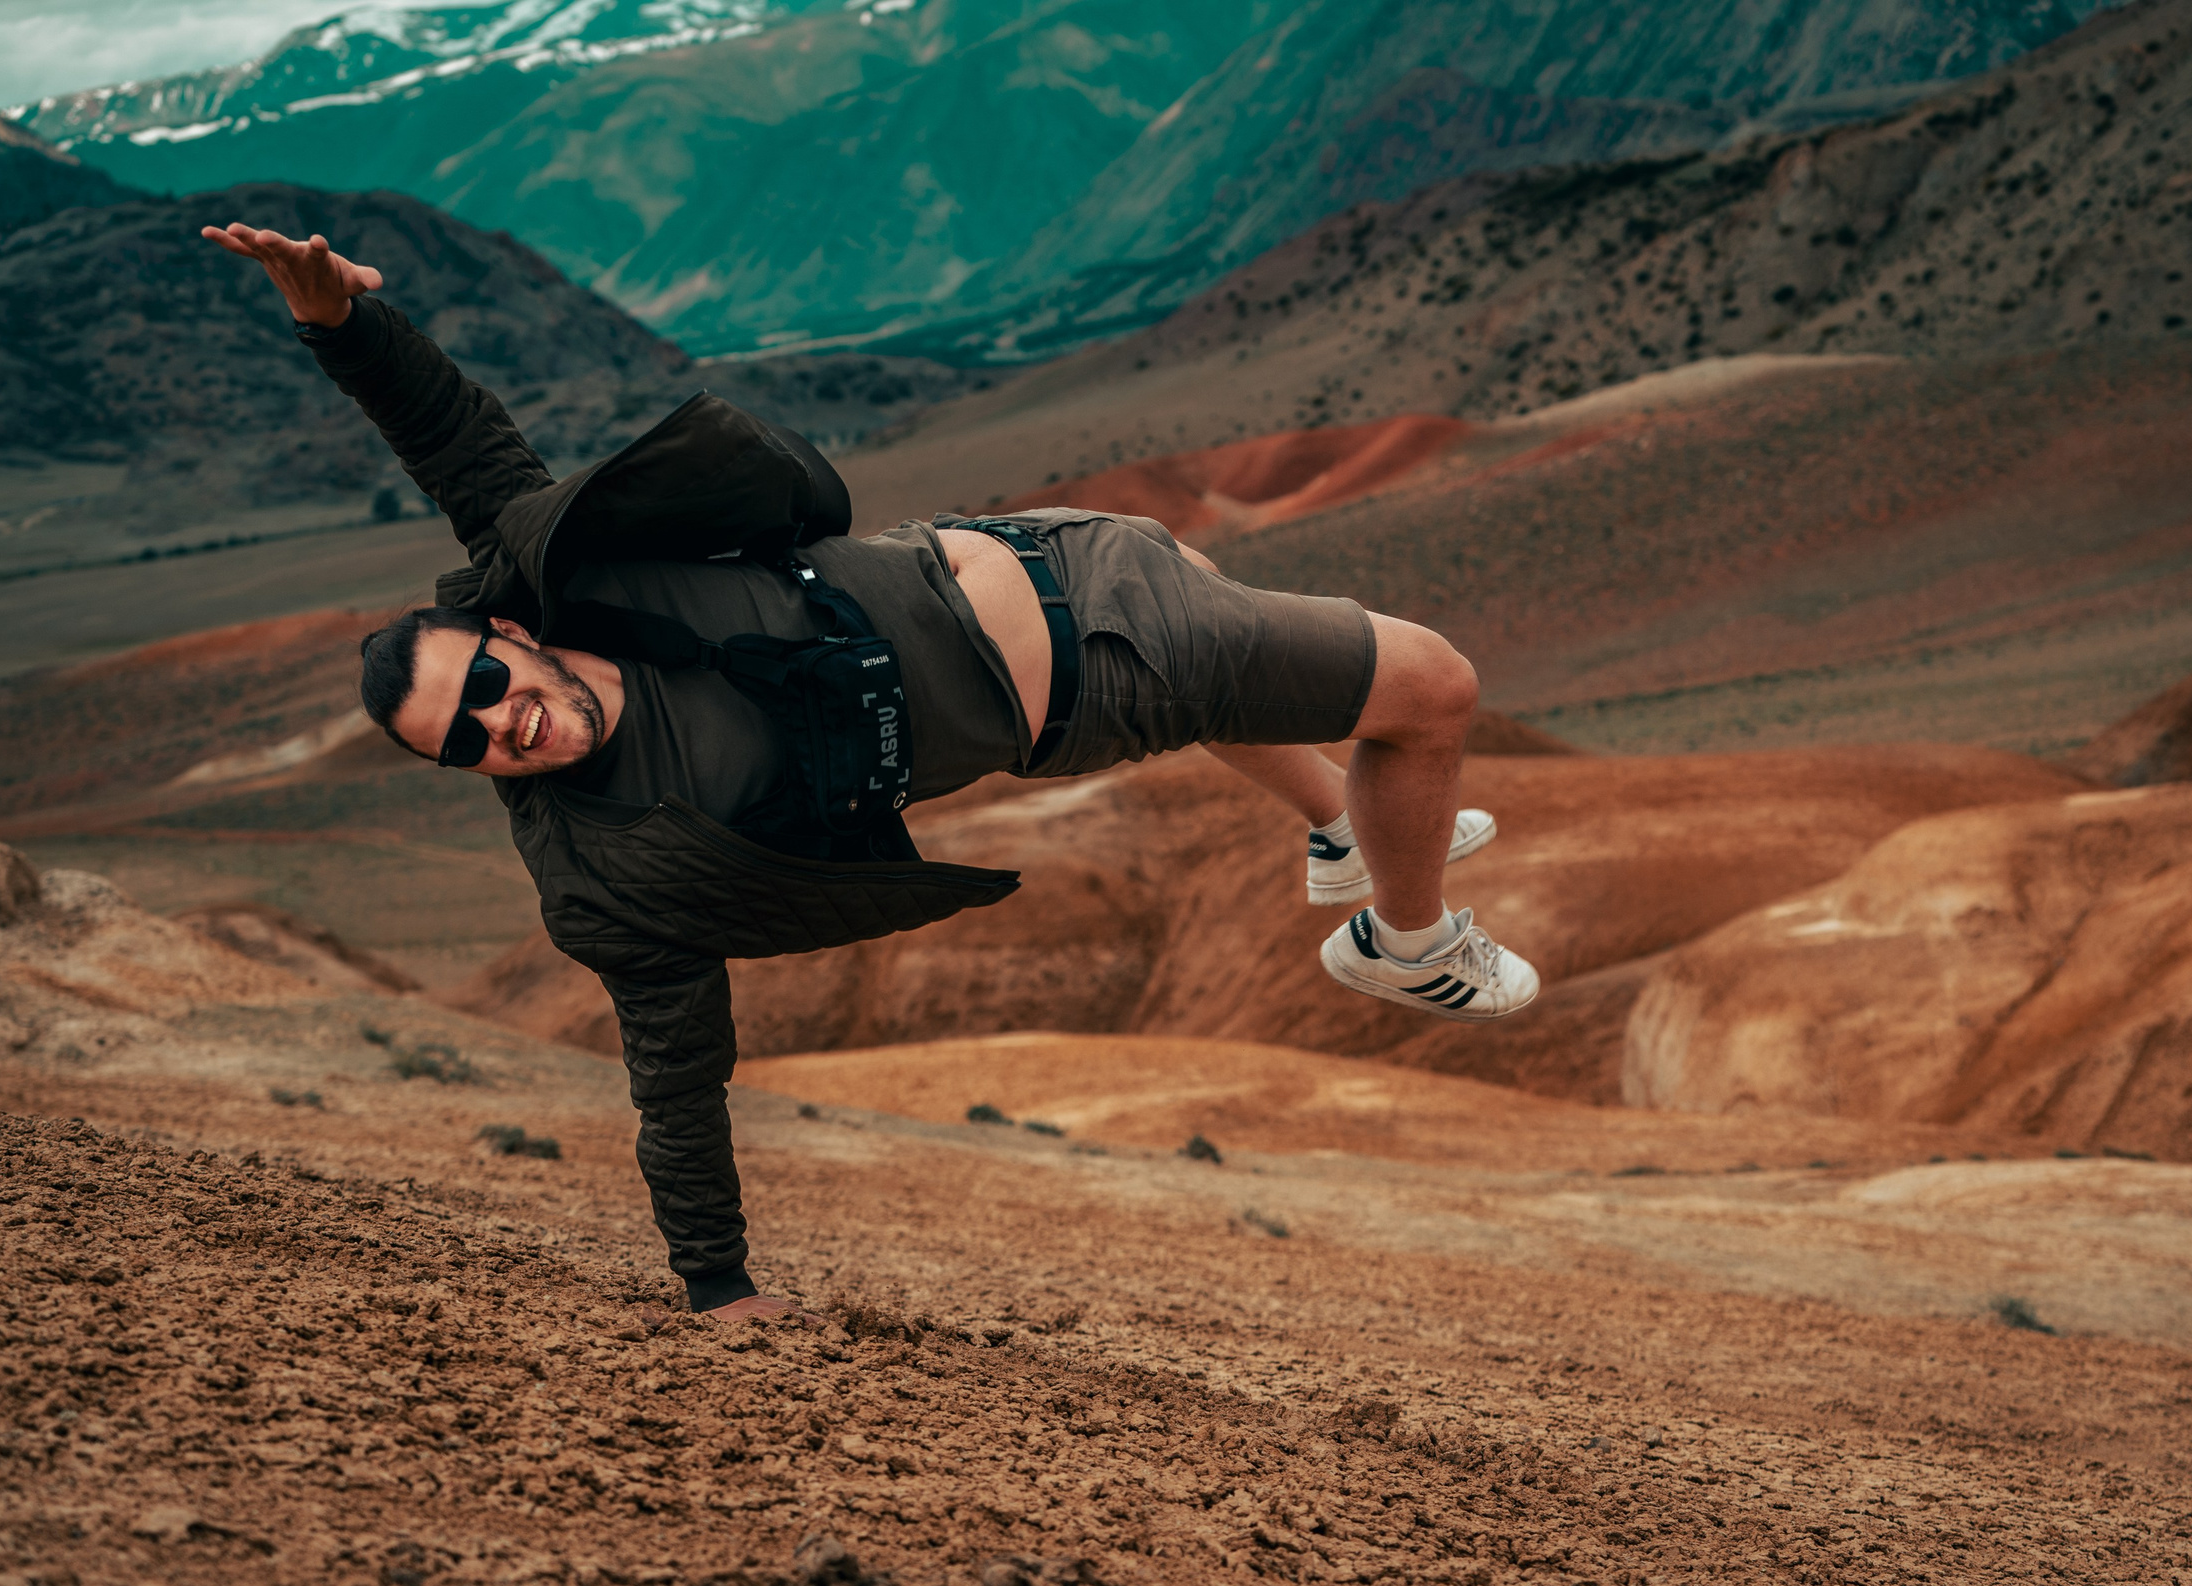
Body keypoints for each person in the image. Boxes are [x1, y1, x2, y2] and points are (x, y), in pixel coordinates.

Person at [202, 222, 1540, 1322]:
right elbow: (674, 1072)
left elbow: (456, 441)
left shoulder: (569, 576)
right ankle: (1403, 941)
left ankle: (1337, 838)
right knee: (1429, 689)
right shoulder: (612, 864)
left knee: (1218, 612)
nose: (501, 725)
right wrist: (716, 1285)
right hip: (1097, 669)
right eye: (464, 744)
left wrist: (339, 322)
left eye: (484, 686)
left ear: (502, 635)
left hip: (1044, 549)